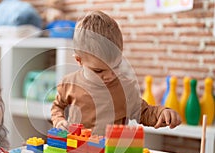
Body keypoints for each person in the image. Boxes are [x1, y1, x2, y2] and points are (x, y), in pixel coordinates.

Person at [51, 11, 181, 134]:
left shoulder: (126, 88)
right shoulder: (69, 83)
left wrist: (162, 113)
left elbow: (144, 112)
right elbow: (57, 107)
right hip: (76, 152)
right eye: (99, 70)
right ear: (79, 61)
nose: (109, 76)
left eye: (116, 66)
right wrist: (59, 120)